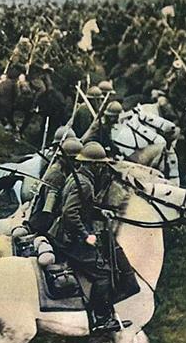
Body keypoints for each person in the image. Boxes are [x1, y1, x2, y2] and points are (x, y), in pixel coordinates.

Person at [55, 141, 131, 333]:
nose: (102, 168)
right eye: (101, 165)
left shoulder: (78, 178)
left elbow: (83, 207)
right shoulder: (85, 183)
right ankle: (101, 319)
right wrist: (86, 235)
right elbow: (69, 213)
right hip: (71, 239)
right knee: (103, 272)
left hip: (65, 233)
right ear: (95, 165)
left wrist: (100, 212)